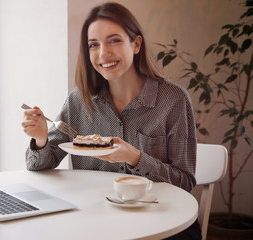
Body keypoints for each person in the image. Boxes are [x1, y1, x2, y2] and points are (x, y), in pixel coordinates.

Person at [22, 2, 201, 239]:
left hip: (161, 223)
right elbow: (40, 165)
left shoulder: (172, 100)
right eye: (93, 45)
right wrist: (41, 138)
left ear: (136, 44)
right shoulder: (79, 100)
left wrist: (135, 157)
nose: (103, 53)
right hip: (97, 222)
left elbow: (185, 182)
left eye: (114, 40)